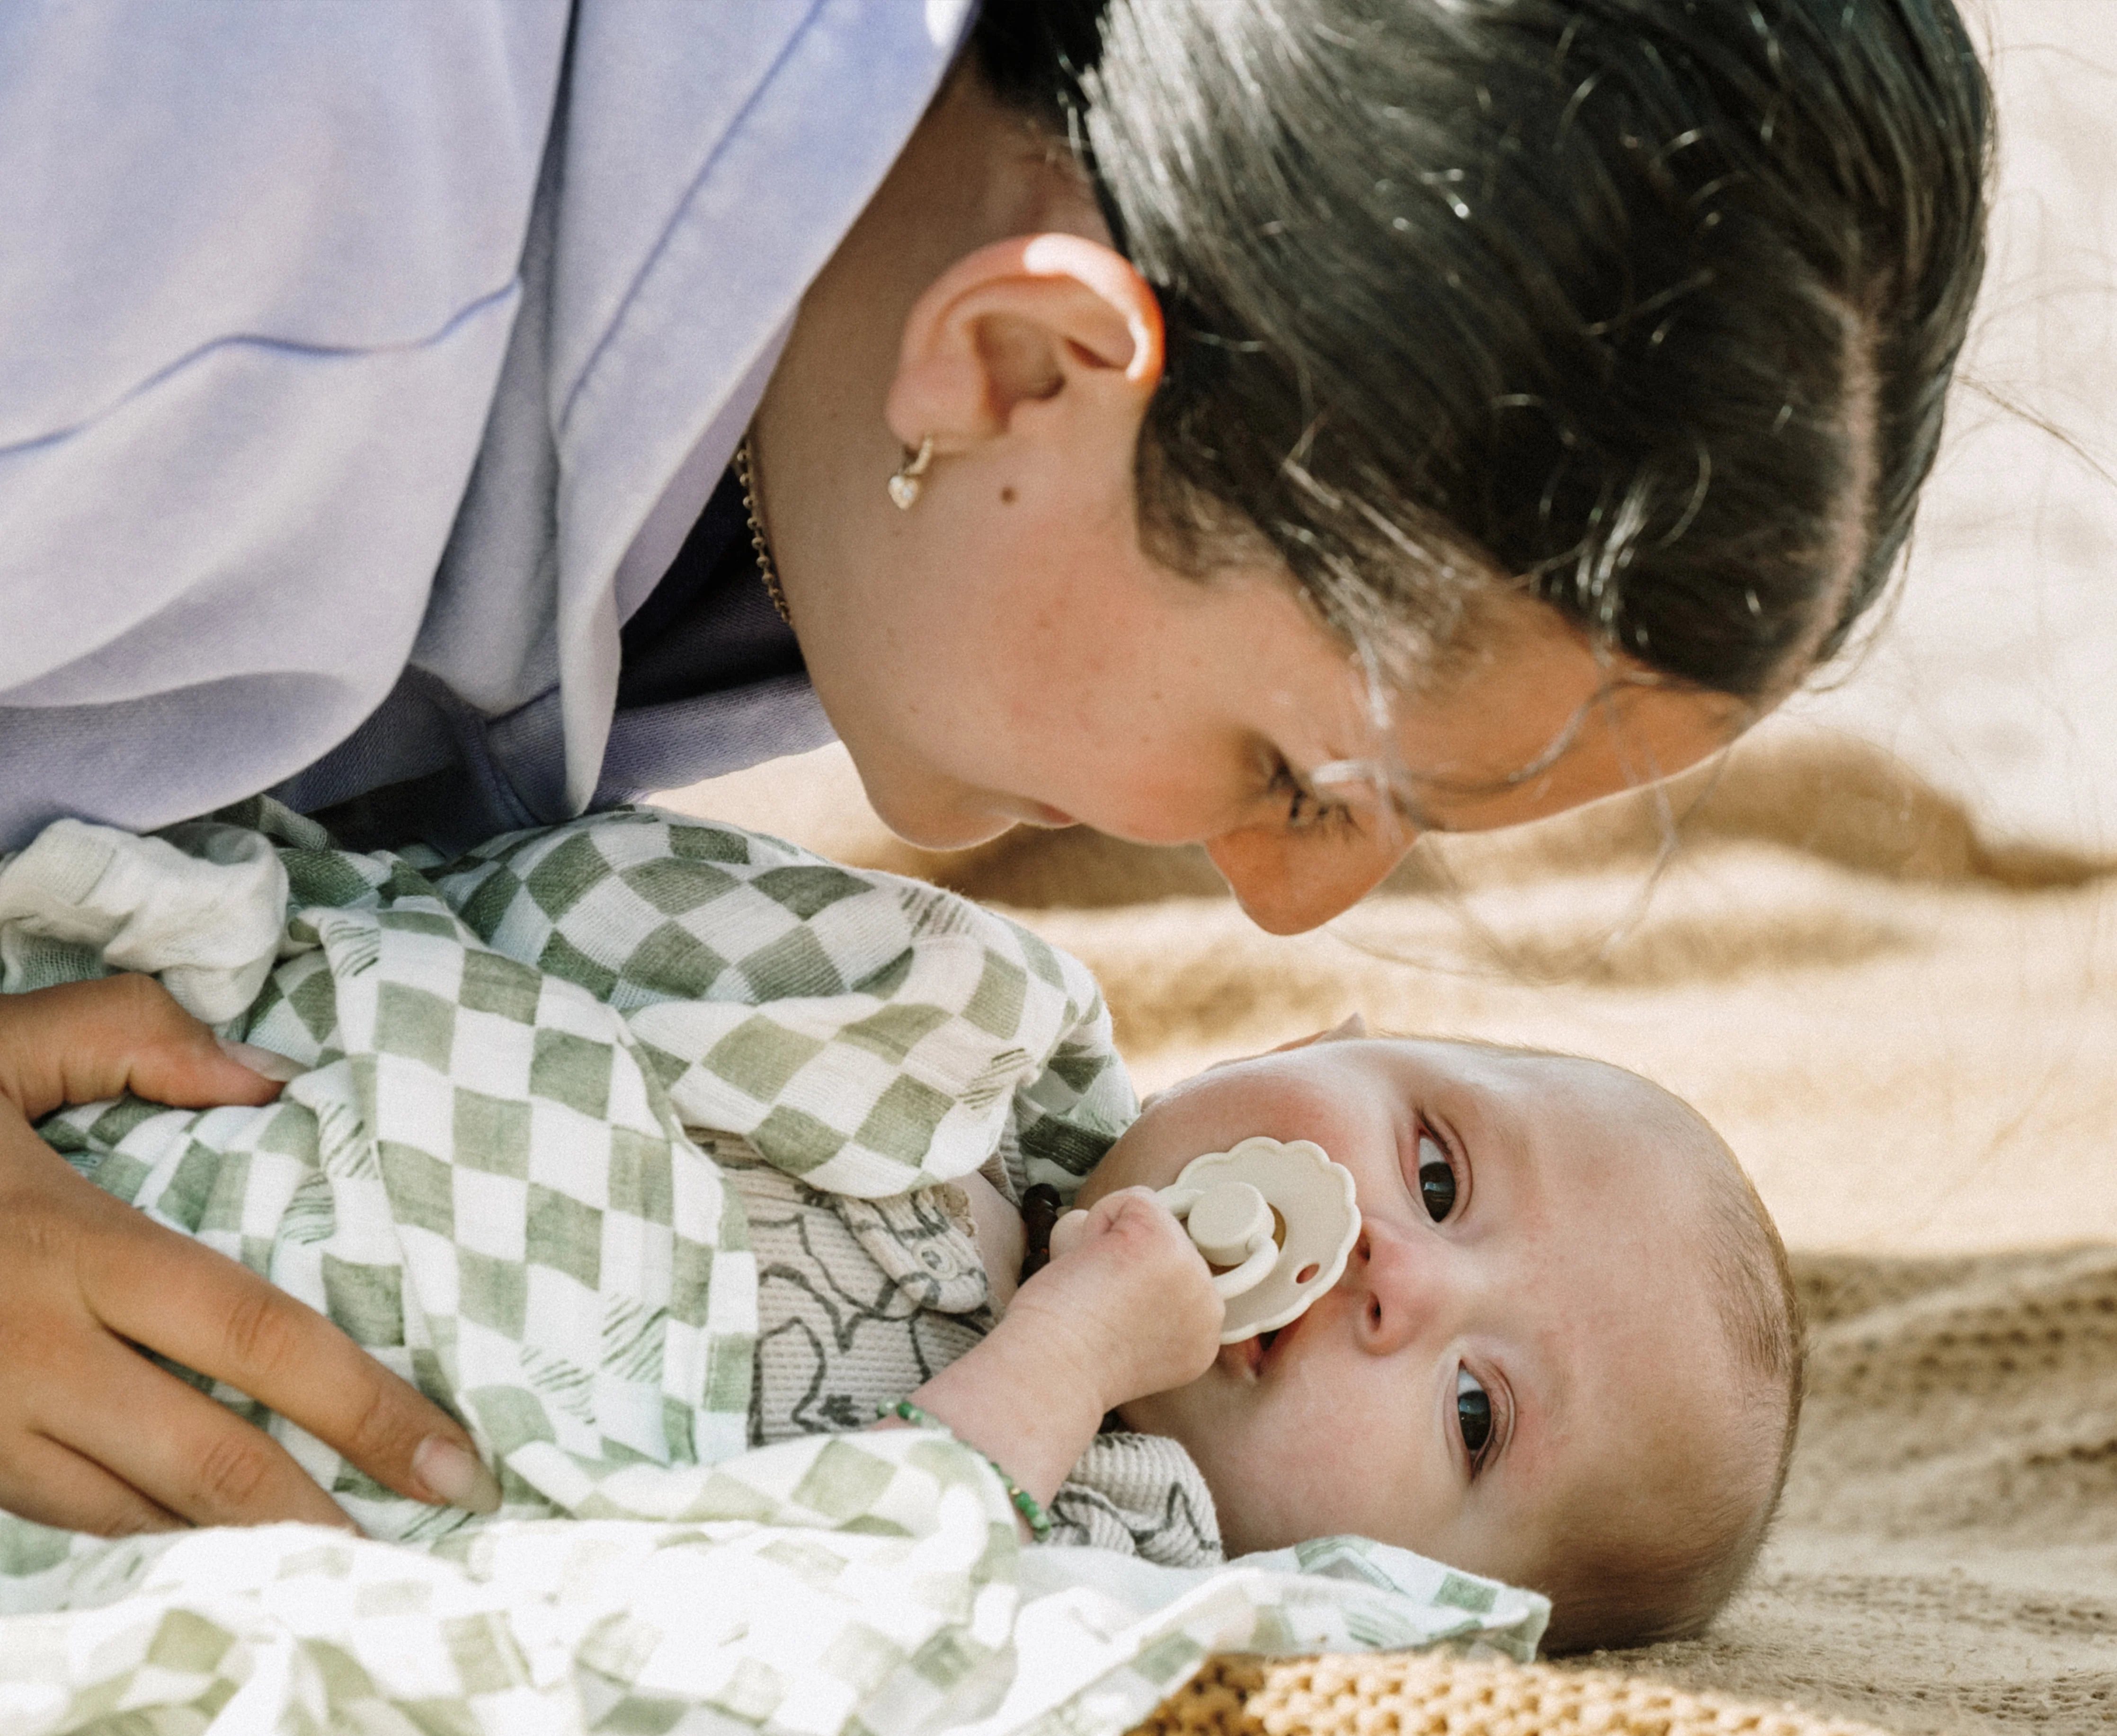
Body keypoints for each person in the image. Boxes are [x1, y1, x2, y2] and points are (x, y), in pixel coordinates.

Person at [0, 0, 1980, 1534]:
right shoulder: (202, 186)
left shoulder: (869, 476)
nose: (1285, 904)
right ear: (1026, 363)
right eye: (1303, 768)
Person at [6, 802, 1797, 1653]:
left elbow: (810, 1615)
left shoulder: (1122, 1552)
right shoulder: (956, 1025)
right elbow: (541, 896)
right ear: (1300, 1043)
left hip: (169, 1466)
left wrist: (1067, 1358)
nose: (1398, 1282)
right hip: (185, 1078)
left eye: (1475, 1414)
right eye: (1431, 1173)